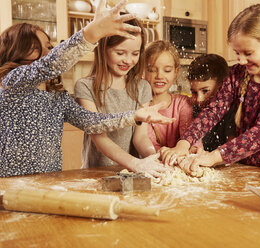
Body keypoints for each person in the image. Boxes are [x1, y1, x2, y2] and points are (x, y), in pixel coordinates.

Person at [0, 0, 174, 177]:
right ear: (17, 50)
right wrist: (93, 32)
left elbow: (93, 122)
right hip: (10, 183)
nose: (49, 52)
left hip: (47, 181)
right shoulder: (12, 84)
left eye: (50, 47)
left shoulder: (57, 97)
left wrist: (134, 116)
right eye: (38, 48)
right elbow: (49, 64)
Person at [160, 4, 260, 173]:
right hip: (239, 167)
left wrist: (213, 157)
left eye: (248, 53)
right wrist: (184, 143)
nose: (241, 60)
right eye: (237, 53)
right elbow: (213, 111)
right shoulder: (237, 74)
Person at [74, 15, 155, 171]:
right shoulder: (85, 87)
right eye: (120, 53)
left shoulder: (143, 87)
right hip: (96, 172)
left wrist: (152, 157)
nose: (128, 60)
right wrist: (135, 163)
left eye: (135, 53)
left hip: (132, 172)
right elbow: (99, 138)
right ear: (103, 49)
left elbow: (141, 137)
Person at [133, 40, 193, 158]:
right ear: (143, 71)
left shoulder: (183, 103)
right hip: (151, 164)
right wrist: (159, 156)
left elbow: (190, 136)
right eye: (152, 70)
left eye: (167, 70)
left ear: (176, 72)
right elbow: (142, 140)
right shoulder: (139, 105)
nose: (159, 76)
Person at [187, 54, 235, 152]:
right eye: (194, 92)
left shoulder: (233, 111)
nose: (199, 99)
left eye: (205, 91)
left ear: (223, 86)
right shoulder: (192, 109)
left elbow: (232, 149)